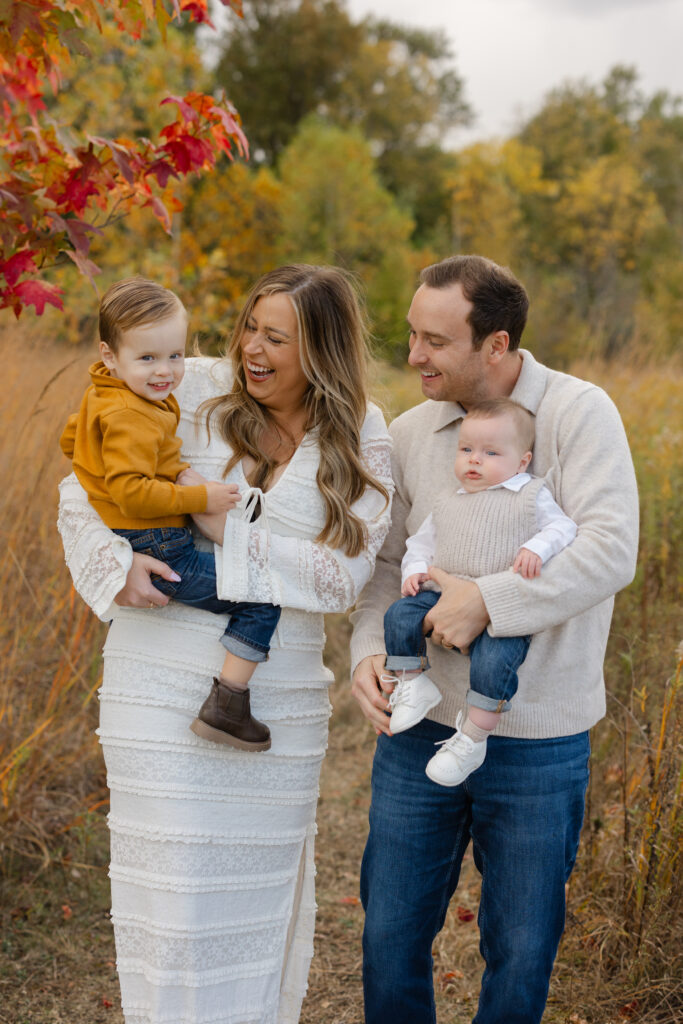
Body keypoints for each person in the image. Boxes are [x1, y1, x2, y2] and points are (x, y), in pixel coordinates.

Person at [57, 264, 393, 1024]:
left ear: (325, 352)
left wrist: (223, 537)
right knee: (171, 905)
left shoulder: (364, 431)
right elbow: (80, 484)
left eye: (277, 337)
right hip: (155, 677)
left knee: (249, 907)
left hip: (273, 704)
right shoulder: (190, 385)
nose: (253, 349)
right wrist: (117, 563)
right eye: (250, 327)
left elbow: (342, 575)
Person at [350, 254, 638, 1024]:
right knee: (388, 934)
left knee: (519, 949)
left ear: (496, 345)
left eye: (433, 341)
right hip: (416, 735)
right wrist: (366, 654)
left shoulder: (579, 415)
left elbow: (610, 548)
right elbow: (383, 568)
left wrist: (489, 600)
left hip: (538, 738)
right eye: (412, 335)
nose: (413, 356)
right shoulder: (412, 432)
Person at [60, 276, 281, 751]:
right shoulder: (130, 414)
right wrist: (199, 499)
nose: (165, 372)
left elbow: (71, 439)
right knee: (261, 595)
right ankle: (228, 703)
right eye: (147, 358)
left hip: (149, 538)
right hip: (160, 546)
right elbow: (134, 495)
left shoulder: (109, 394)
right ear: (109, 355)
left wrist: (120, 467)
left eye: (174, 356)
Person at [382, 397, 577, 787]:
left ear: (521, 462)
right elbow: (420, 544)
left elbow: (563, 529)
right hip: (441, 593)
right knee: (399, 616)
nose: (474, 460)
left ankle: (473, 737)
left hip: (500, 610)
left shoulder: (530, 494)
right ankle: (412, 681)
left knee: (493, 662)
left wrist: (536, 547)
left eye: (490, 452)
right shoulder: (448, 501)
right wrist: (415, 571)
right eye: (466, 450)